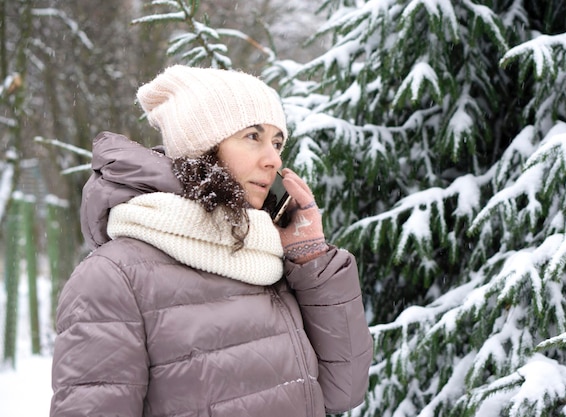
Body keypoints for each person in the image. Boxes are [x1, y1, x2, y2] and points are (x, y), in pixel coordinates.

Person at [49, 65, 373, 417]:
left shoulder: (269, 259)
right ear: (201, 144)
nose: (274, 160)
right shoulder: (114, 278)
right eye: (253, 136)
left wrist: (311, 259)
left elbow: (344, 390)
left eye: (278, 142)